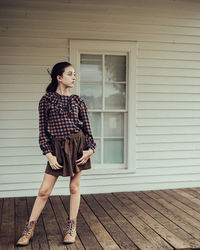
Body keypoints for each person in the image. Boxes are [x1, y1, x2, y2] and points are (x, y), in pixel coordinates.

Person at [16, 61, 96, 246]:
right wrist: (48, 154)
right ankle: (29, 228)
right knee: (44, 191)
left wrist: (90, 149)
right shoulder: (46, 100)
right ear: (59, 77)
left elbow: (88, 129)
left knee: (74, 188)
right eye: (70, 74)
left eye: (74, 74)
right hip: (56, 148)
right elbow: (42, 131)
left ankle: (71, 227)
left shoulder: (78, 101)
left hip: (77, 146)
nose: (74, 77)